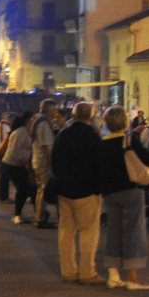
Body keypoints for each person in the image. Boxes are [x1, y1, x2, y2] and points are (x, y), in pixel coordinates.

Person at [97, 104, 149, 291]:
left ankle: (113, 275)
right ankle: (132, 278)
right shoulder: (129, 140)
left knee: (113, 232)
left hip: (109, 192)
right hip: (130, 190)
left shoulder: (103, 143)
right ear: (124, 121)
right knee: (133, 232)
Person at [50, 101, 103, 285]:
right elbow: (99, 164)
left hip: (65, 190)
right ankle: (87, 272)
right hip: (87, 191)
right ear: (90, 116)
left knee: (66, 232)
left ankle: (68, 271)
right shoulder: (93, 136)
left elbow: (54, 160)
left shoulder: (63, 134)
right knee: (88, 232)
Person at [0, 113, 36, 223]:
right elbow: (14, 151)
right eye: (32, 119)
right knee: (23, 188)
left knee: (29, 188)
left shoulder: (25, 132)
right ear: (27, 121)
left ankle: (36, 213)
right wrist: (26, 160)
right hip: (12, 165)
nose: (34, 122)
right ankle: (17, 215)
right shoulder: (21, 132)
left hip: (17, 164)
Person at [29, 99, 59, 228]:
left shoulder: (37, 120)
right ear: (50, 110)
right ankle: (40, 218)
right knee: (43, 189)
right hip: (43, 161)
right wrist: (52, 164)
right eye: (55, 109)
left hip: (37, 159)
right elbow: (47, 146)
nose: (56, 112)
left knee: (41, 189)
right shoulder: (44, 123)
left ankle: (39, 216)